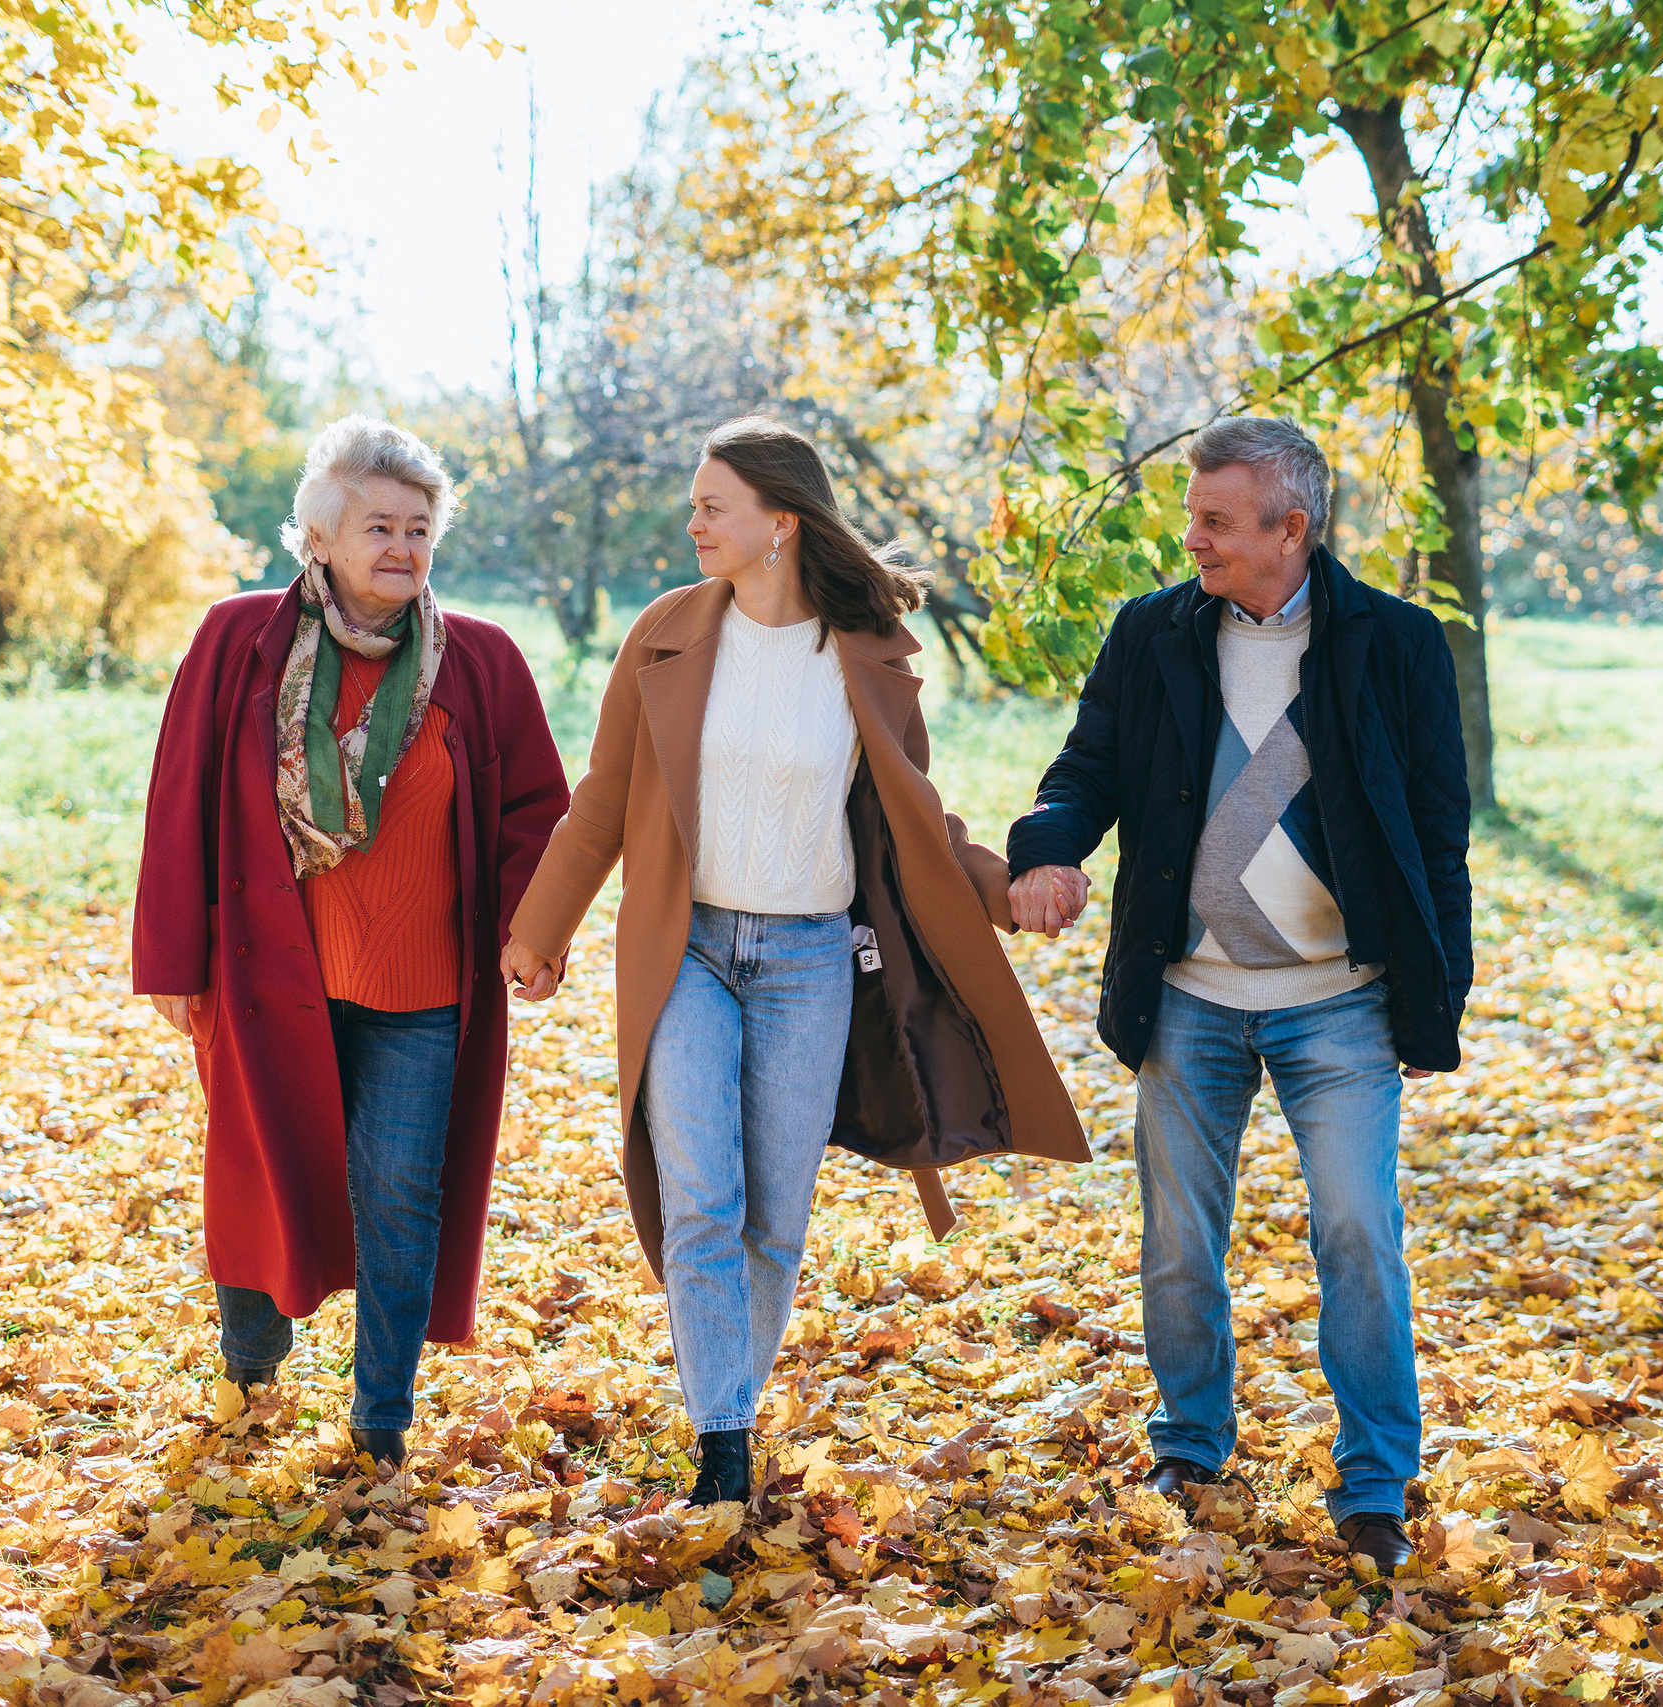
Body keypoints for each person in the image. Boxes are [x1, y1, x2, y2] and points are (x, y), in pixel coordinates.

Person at [503, 416, 1088, 1506]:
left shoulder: (865, 659)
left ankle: (726, 1403)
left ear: (780, 521)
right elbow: (602, 800)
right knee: (702, 1200)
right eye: (693, 505)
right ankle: (722, 1443)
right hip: (687, 950)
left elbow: (917, 819)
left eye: (711, 506)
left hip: (812, 961)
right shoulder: (665, 636)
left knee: (775, 1211)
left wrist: (1007, 889)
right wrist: (540, 929)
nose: (692, 525)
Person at [1004, 416, 1472, 1574]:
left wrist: (1432, 1003)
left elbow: (1437, 834)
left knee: (1359, 1231)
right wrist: (1044, 850)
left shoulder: (1395, 644)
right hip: (1191, 996)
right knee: (1178, 1241)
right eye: (1193, 515)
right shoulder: (1154, 632)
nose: (1193, 538)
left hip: (1341, 1001)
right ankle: (1190, 1441)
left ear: (1289, 528)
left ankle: (1375, 1481)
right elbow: (1087, 771)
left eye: (1215, 520)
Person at [132, 415, 570, 1465]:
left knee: (400, 1192)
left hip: (424, 985)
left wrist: (533, 931)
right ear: (318, 537)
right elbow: (180, 799)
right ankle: (250, 1373)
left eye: (419, 528)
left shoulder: (482, 660)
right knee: (261, 1168)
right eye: (378, 525)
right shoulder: (238, 641)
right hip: (269, 973)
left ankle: (381, 1419)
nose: (403, 548)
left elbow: (534, 816)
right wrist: (170, 961)